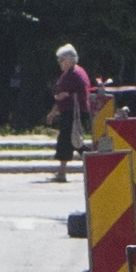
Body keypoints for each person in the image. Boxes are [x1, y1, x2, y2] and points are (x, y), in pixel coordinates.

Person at [45, 44, 90, 183]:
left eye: (62, 60)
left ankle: (62, 173)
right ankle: (95, 163)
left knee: (66, 141)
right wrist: (54, 110)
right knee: (75, 142)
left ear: (70, 59)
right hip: (72, 112)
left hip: (73, 113)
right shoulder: (73, 72)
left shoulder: (74, 74)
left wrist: (55, 109)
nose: (60, 63)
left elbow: (68, 94)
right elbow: (62, 94)